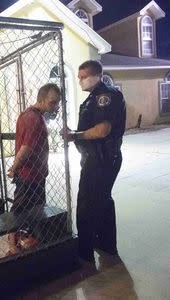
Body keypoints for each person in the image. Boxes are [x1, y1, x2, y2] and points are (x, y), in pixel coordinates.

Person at [62, 60, 126, 262]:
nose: (79, 81)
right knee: (103, 201)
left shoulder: (104, 97)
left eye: (83, 77)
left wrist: (74, 136)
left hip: (101, 159)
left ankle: (85, 251)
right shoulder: (94, 97)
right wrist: (76, 134)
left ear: (96, 76)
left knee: (87, 204)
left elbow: (103, 130)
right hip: (101, 158)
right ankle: (106, 244)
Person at [7, 83, 61, 254]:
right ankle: (12, 243)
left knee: (35, 209)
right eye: (52, 102)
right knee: (20, 209)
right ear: (41, 100)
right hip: (28, 175)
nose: (55, 106)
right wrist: (14, 167)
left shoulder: (35, 115)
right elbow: (26, 148)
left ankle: (28, 238)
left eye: (57, 102)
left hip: (35, 175)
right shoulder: (33, 119)